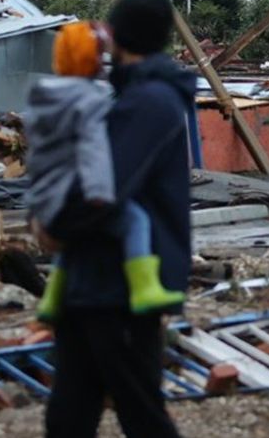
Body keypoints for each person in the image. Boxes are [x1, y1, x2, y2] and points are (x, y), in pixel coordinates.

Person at [0, 0, 243, 438]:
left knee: (144, 421)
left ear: (119, 37)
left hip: (122, 290)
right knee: (68, 422)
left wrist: (53, 226)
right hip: (92, 284)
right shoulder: (128, 94)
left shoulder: (149, 102)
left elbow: (107, 186)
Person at [24, 20, 185, 321]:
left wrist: (34, 203)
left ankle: (51, 300)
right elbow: (93, 148)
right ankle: (144, 289)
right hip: (78, 192)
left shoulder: (41, 99)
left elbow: (36, 155)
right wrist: (99, 193)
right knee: (135, 220)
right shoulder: (91, 100)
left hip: (46, 197)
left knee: (71, 240)